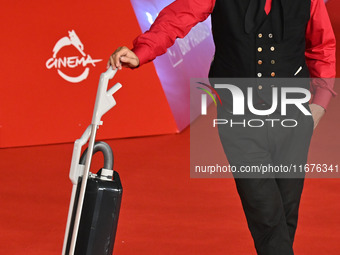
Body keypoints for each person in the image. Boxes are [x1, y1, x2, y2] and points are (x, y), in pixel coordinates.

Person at [107, 0, 336, 254]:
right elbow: (177, 18)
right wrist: (142, 51)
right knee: (266, 215)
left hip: (293, 117)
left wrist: (320, 103)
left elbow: (322, 46)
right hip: (240, 119)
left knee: (285, 214)